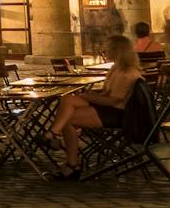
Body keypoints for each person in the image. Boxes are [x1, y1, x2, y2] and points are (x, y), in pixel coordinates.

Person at [47, 33, 142, 178]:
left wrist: (89, 96)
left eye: (108, 47)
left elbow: (114, 101)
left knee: (67, 119)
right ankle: (54, 137)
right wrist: (92, 94)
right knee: (67, 100)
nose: (105, 50)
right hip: (111, 108)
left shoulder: (127, 73)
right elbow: (107, 93)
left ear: (117, 50)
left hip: (118, 114)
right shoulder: (117, 68)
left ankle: (71, 163)